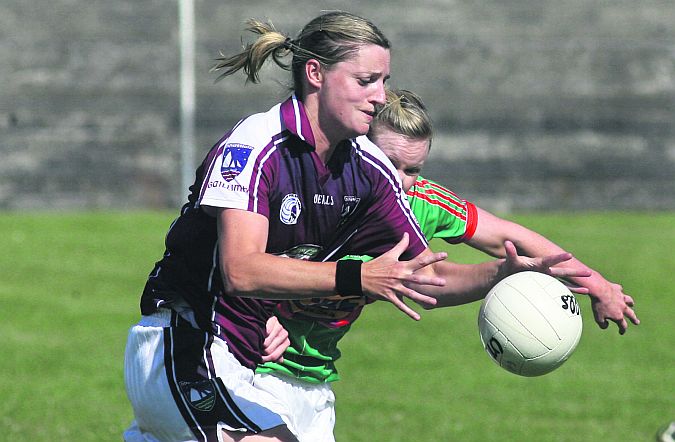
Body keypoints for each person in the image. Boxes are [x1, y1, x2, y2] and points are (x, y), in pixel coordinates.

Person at [123, 13, 550, 442]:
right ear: (315, 74)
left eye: (384, 81)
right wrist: (357, 277)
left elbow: (421, 275)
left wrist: (501, 275)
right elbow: (241, 270)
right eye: (366, 81)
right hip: (182, 344)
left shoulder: (368, 170)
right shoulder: (255, 146)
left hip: (242, 363)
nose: (381, 97)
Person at [253, 88, 640, 441]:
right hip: (252, 366)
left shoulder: (422, 203)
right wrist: (257, 314)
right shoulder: (320, 189)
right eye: (390, 164)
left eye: (413, 169)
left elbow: (510, 237)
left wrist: (599, 285)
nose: (402, 181)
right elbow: (240, 263)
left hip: (315, 382)